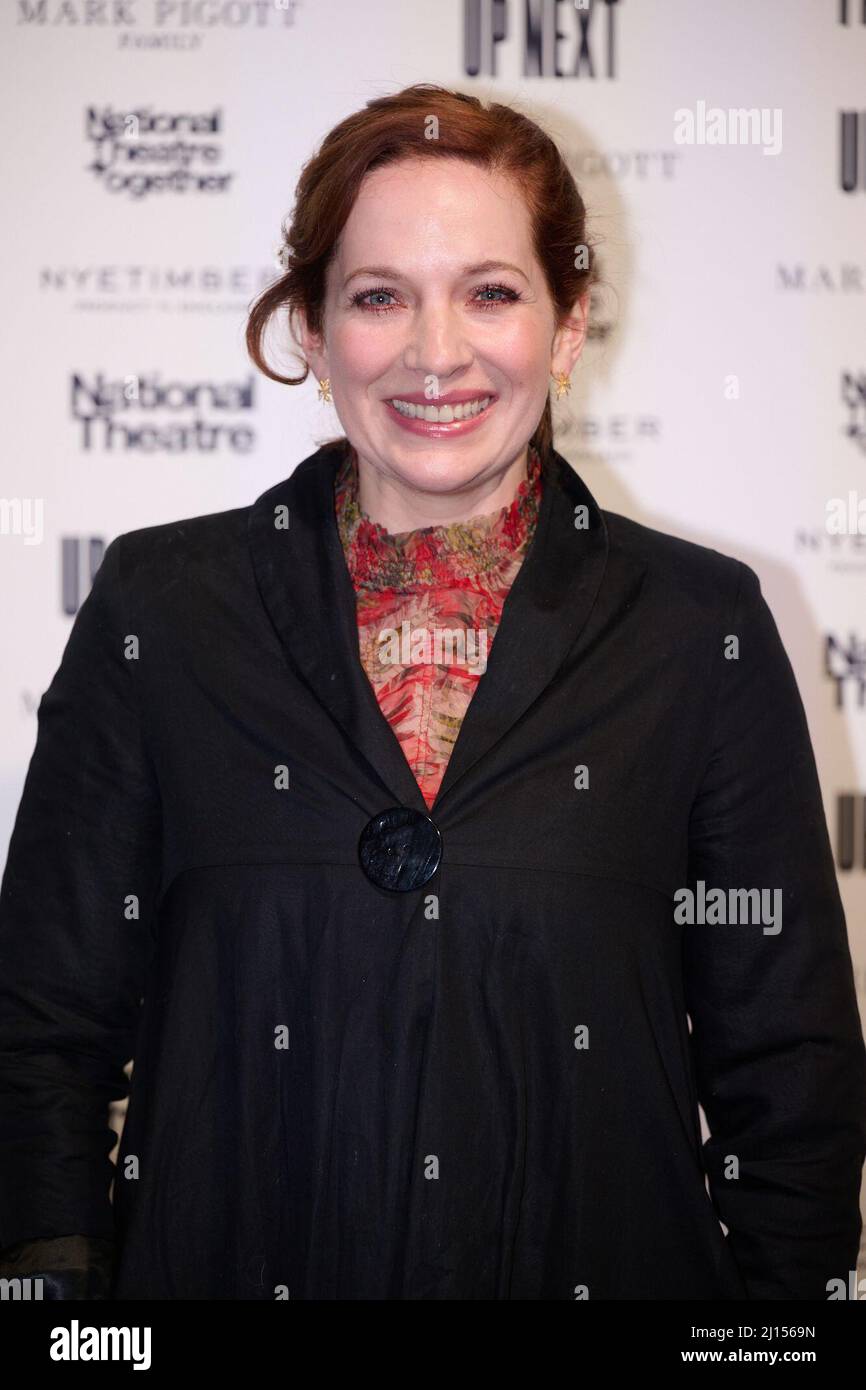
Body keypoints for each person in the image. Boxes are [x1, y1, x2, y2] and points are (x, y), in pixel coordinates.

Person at [0, 83, 864, 1301]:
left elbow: (788, 1067)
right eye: (377, 296)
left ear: (566, 328)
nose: (435, 351)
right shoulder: (163, 610)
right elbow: (43, 1028)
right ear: (310, 328)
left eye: (491, 292)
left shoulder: (696, 631)